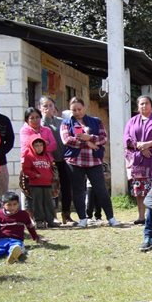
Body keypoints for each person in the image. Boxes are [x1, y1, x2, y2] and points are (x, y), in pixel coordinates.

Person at [60, 97, 120, 228]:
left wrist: (90, 137)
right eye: (74, 110)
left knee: (101, 189)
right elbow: (67, 140)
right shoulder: (66, 123)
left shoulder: (96, 121)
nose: (77, 112)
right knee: (78, 190)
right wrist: (88, 143)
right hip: (74, 161)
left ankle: (111, 217)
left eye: (79, 109)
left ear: (84, 108)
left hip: (94, 161)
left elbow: (103, 138)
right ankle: (82, 219)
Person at [124, 95, 152, 225]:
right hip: (139, 161)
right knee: (140, 190)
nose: (144, 106)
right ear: (138, 107)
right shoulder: (132, 121)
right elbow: (126, 138)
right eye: (141, 104)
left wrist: (149, 144)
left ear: (151, 105)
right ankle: (141, 216)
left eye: (146, 103)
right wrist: (140, 146)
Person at [39, 98, 72, 224]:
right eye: (45, 106)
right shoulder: (40, 123)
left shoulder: (62, 122)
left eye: (50, 105)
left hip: (63, 159)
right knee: (52, 188)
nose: (48, 108)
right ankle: (52, 215)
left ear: (54, 107)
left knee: (66, 187)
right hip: (48, 160)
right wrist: (45, 119)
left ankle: (66, 214)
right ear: (40, 107)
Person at [0, 191, 43, 263]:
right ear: (3, 204)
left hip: (17, 239)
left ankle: (13, 256)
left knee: (16, 247)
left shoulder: (23, 214)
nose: (12, 207)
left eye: (15, 204)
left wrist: (35, 237)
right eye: (9, 205)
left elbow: (30, 226)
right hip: (3, 239)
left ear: (18, 204)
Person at [20, 137, 58, 228]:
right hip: (35, 184)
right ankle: (39, 221)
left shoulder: (47, 156)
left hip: (47, 184)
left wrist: (52, 178)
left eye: (41, 145)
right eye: (36, 145)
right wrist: (35, 175)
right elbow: (26, 170)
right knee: (38, 204)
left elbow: (51, 169)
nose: (39, 147)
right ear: (32, 146)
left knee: (49, 203)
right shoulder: (29, 156)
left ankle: (50, 220)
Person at [0, 106, 11, 197]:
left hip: (0, 163)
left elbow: (10, 140)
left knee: (3, 193)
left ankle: (2, 211)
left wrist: (0, 152)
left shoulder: (4, 120)